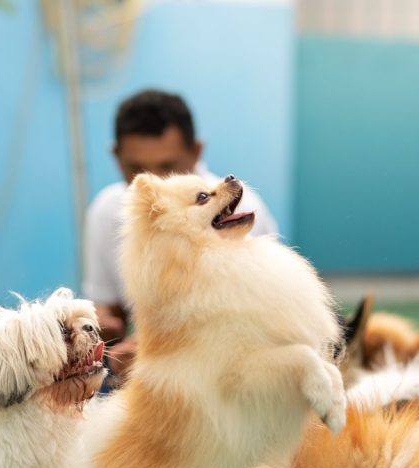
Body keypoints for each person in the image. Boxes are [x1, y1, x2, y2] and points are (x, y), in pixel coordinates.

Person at [82, 89, 278, 383]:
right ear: (116, 157)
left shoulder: (236, 209)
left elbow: (259, 324)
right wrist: (100, 324)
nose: (154, 184)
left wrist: (166, 353)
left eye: (167, 167)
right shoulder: (107, 211)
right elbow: (108, 307)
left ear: (197, 152)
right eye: (136, 169)